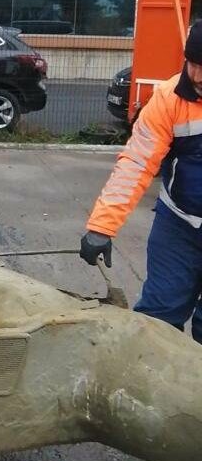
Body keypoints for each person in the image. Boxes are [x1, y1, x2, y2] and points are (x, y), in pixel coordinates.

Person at [80, 21, 202, 344]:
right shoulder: (168, 99)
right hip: (179, 227)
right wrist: (101, 227)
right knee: (155, 324)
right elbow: (136, 163)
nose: (197, 76)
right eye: (192, 63)